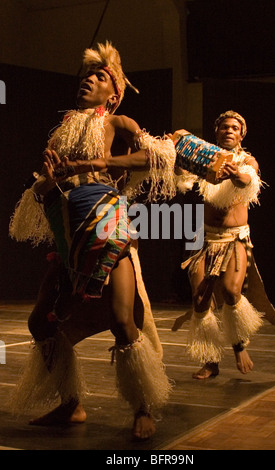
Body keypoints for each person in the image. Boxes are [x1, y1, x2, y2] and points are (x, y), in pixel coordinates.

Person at [9, 41, 177, 439]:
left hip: (108, 225)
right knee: (40, 323)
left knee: (122, 318)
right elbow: (47, 190)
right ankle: (70, 404)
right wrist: (47, 184)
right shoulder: (62, 133)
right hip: (70, 233)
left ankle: (143, 406)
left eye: (100, 76)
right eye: (87, 75)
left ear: (114, 94)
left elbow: (157, 158)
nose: (89, 80)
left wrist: (101, 162)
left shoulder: (119, 124)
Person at [173, 110, 275, 379]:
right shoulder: (204, 160)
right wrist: (176, 158)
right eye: (224, 127)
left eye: (234, 127)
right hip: (205, 238)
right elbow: (183, 181)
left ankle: (239, 346)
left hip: (235, 237)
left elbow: (247, 180)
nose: (228, 131)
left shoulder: (247, 161)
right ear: (217, 131)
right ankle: (211, 361)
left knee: (232, 292)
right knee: (200, 300)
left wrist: (235, 174)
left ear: (241, 134)